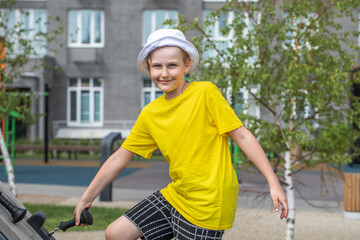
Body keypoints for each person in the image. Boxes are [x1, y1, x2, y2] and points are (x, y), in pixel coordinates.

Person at [74, 28, 289, 240]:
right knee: (116, 233)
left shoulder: (206, 93)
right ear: (149, 68)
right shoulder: (150, 114)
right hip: (178, 194)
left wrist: (273, 182)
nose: (164, 73)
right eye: (157, 66)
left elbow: (242, 136)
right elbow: (120, 157)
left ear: (186, 65)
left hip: (209, 201)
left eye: (172, 66)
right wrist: (87, 197)